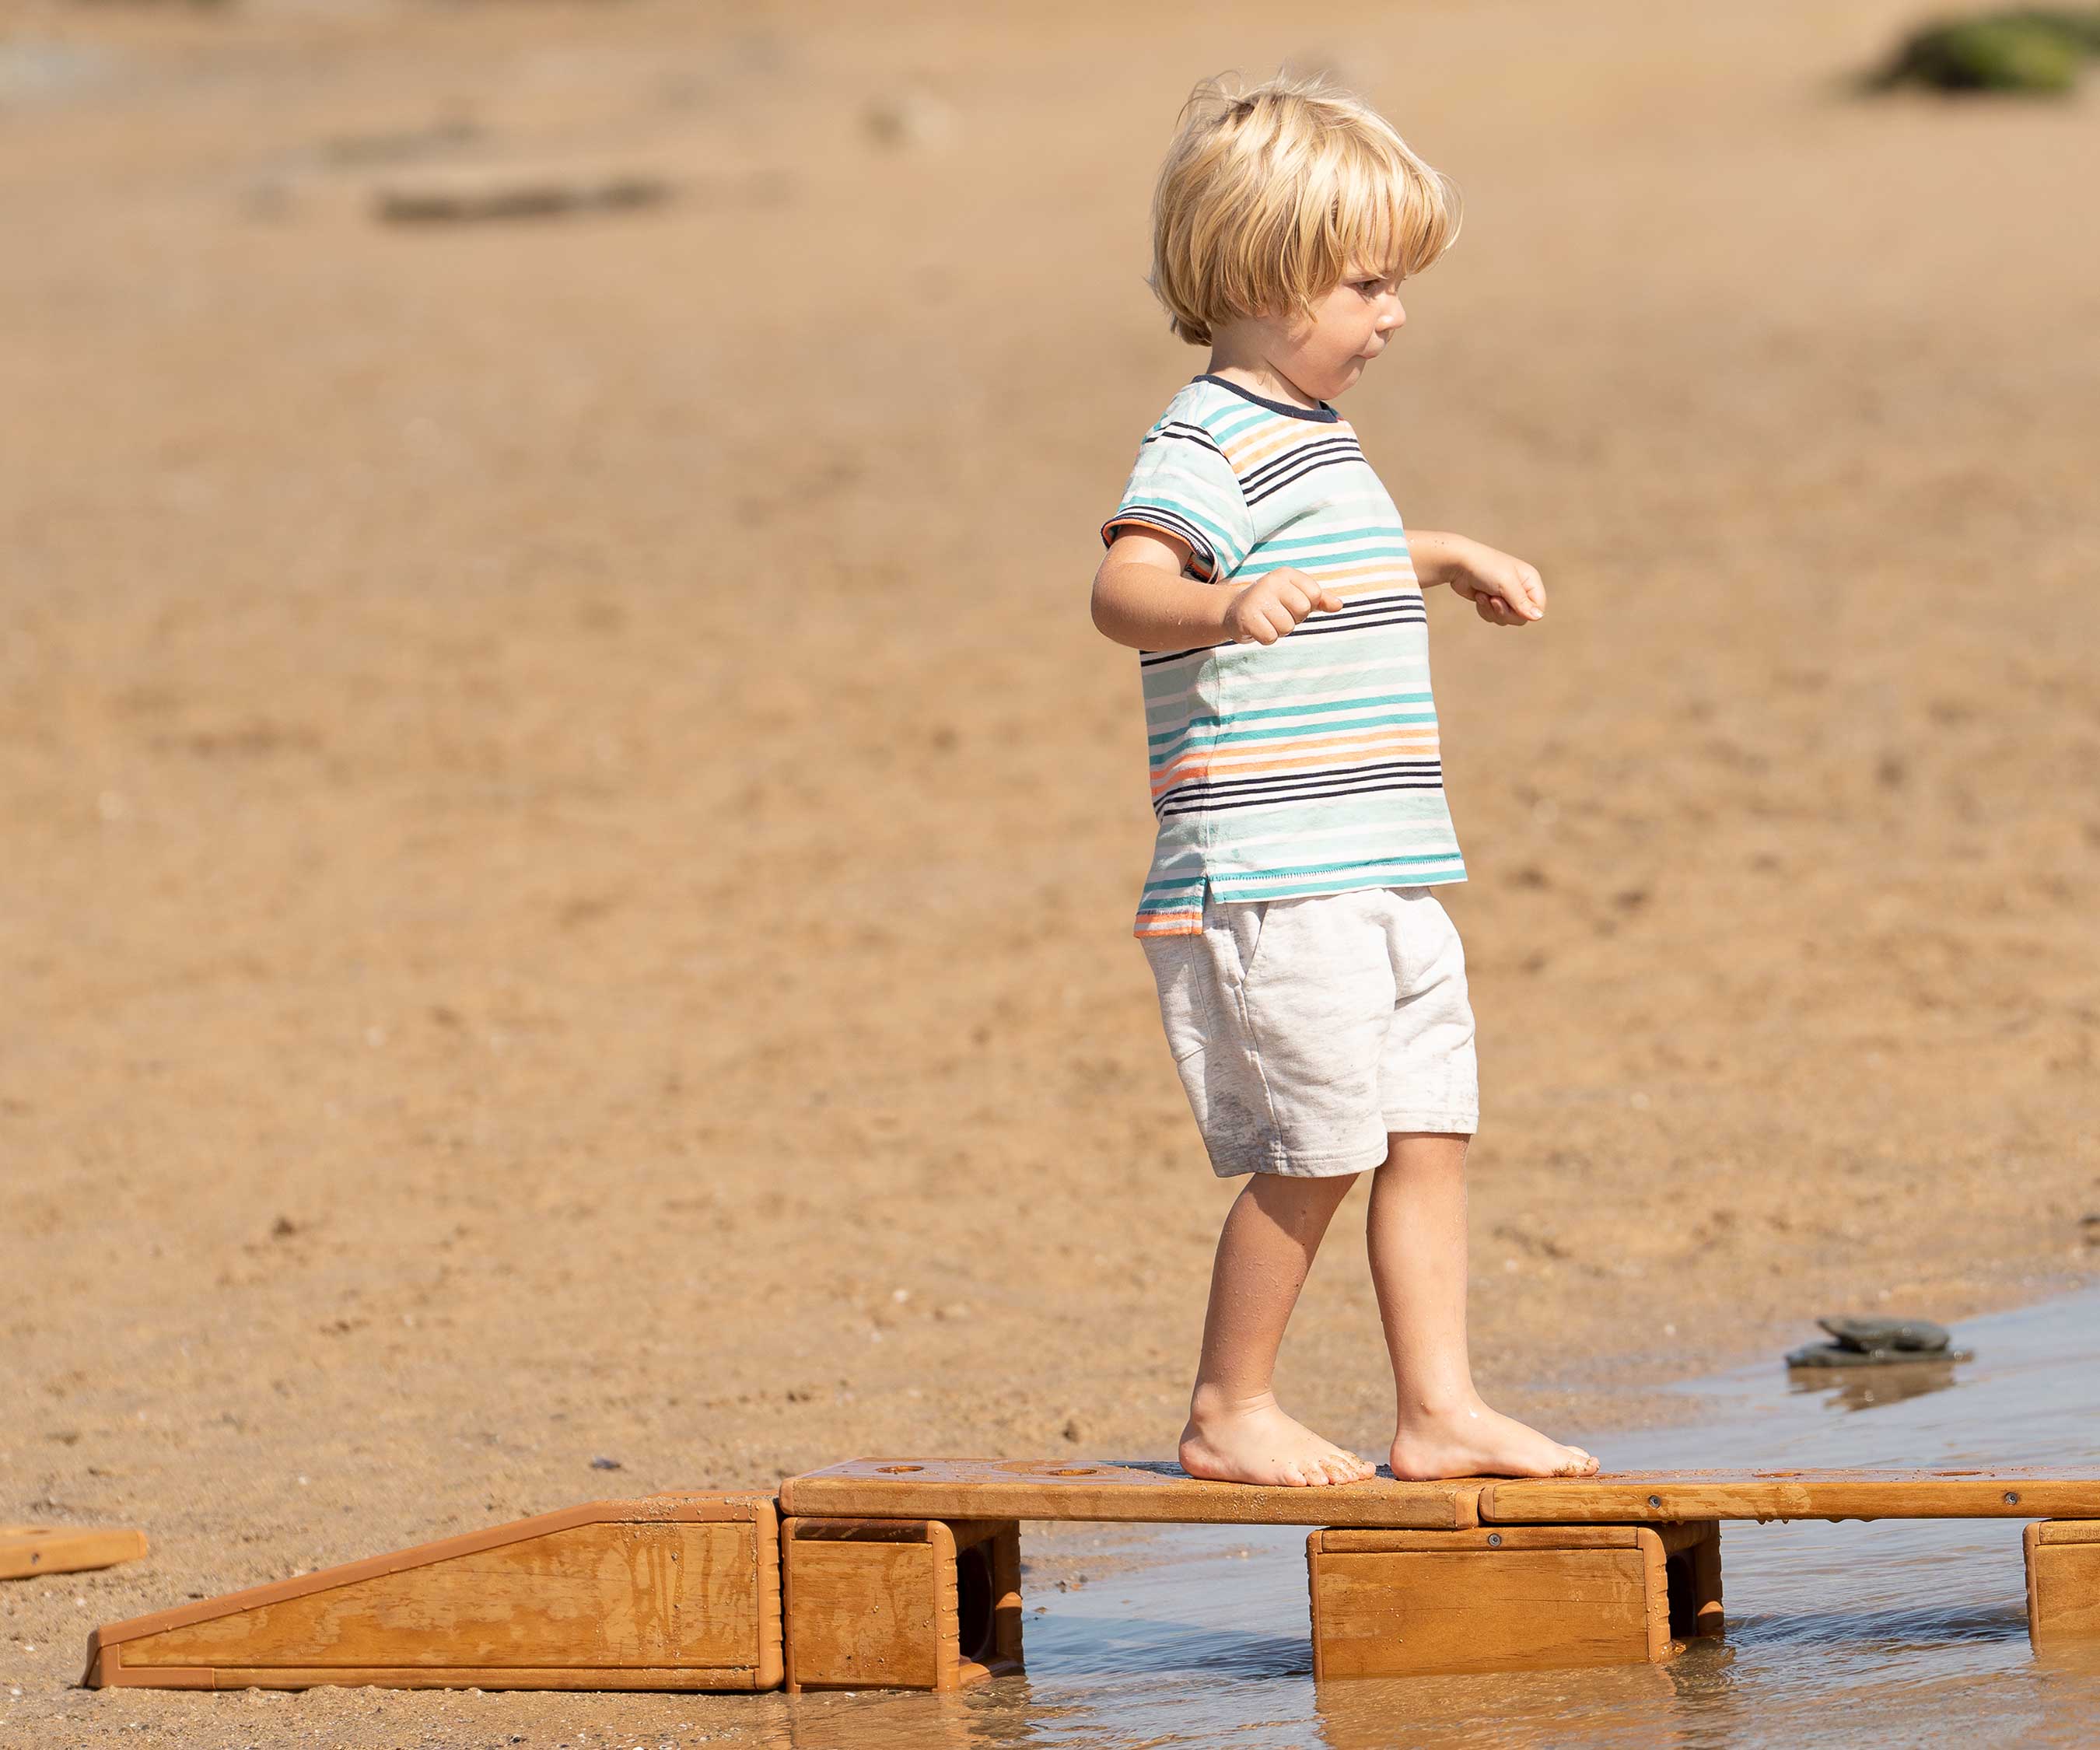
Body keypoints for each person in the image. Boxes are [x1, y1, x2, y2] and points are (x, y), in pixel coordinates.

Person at [1092, 72, 1599, 1486]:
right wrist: (1216, 609)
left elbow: (1331, 557)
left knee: (1428, 1130)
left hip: (1378, 862)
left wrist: (1439, 555)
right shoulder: (1204, 435)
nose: (1394, 317)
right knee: (1315, 1149)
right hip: (1269, 876)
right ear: (1266, 276)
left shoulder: (1312, 433)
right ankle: (1228, 1408)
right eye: (1368, 284)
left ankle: (1438, 1409)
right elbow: (1125, 585)